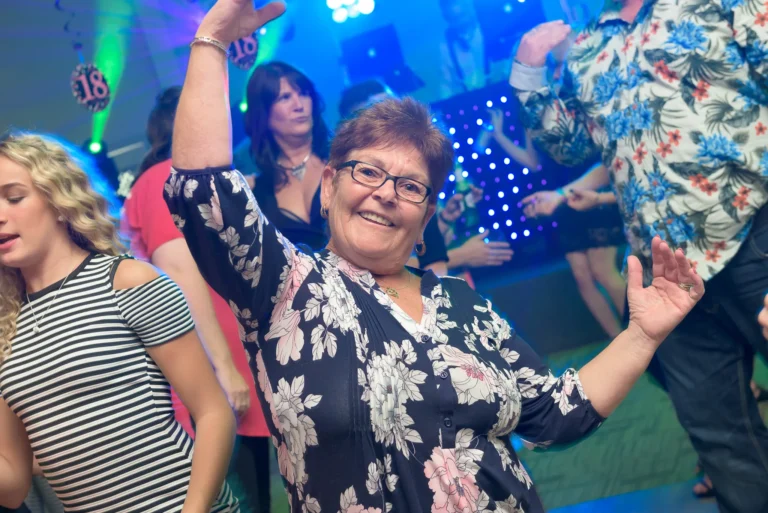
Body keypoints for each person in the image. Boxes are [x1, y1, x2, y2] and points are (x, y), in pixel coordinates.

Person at [162, 2, 704, 512]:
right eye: (367, 172)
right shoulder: (286, 286)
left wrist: (642, 335)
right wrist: (211, 42)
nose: (386, 193)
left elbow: (553, 414)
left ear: (425, 219)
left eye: (410, 186)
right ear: (328, 186)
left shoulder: (464, 305)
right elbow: (204, 192)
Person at [511, 0, 768, 510]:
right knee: (721, 438)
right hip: (666, 277)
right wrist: (528, 71)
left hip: (752, 232)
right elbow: (569, 148)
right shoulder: (586, 46)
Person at [0, 132, 238, 512]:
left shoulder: (126, 282)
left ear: (58, 201)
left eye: (14, 198)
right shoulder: (6, 329)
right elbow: (13, 485)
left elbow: (214, 413)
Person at [122, 86, 272, 512]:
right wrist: (223, 369)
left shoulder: (181, 179)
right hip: (211, 367)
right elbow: (180, 274)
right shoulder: (163, 178)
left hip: (227, 360)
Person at [338, 80, 514, 276]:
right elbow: (374, 264)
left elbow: (412, 247)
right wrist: (462, 256)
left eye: (395, 106)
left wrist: (444, 220)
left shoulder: (409, 170)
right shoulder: (356, 183)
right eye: (381, 111)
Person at [233, 61, 330, 251]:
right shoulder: (258, 190)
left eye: (304, 94)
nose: (299, 105)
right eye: (285, 97)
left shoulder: (342, 159)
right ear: (263, 113)